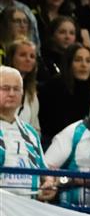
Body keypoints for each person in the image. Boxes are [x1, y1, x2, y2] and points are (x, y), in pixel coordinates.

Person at [0, 65, 57, 201]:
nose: (12, 94)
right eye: (5, 88)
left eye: (16, 89)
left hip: (27, 207)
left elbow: (44, 173)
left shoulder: (30, 133)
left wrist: (48, 184)